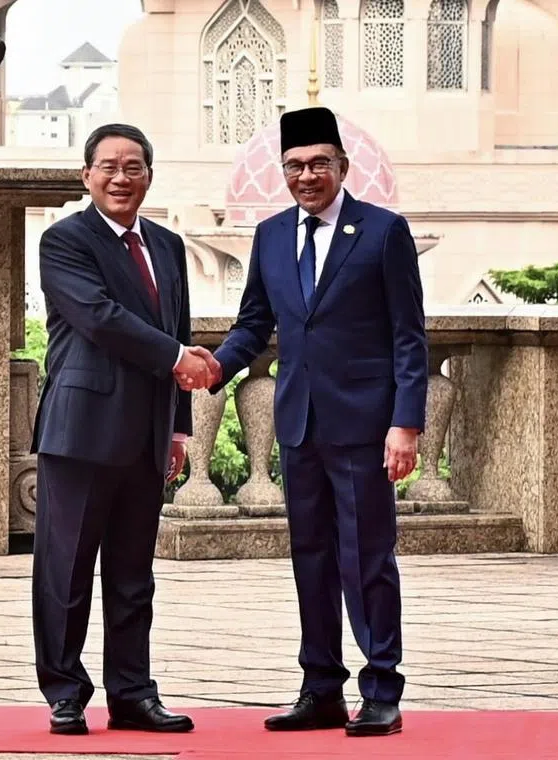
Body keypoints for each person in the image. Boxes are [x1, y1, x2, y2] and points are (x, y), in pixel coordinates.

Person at [183, 107, 428, 737]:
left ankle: (381, 688)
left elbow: (409, 339)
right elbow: (254, 324)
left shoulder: (382, 232)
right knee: (311, 557)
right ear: (282, 172)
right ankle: (320, 687)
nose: (307, 174)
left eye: (319, 163)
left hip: (364, 425)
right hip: (298, 423)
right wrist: (216, 368)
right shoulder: (269, 236)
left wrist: (406, 424)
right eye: (295, 165)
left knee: (366, 557)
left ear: (342, 167)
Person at [31, 123, 218, 736]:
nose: (121, 177)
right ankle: (65, 691)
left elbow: (178, 327)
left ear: (149, 176)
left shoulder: (165, 245)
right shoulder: (66, 241)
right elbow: (100, 318)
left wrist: (180, 429)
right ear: (86, 176)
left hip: (147, 435)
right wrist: (177, 359)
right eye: (108, 166)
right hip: (82, 431)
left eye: (133, 166)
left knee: (135, 575)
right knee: (67, 571)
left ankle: (133, 694)